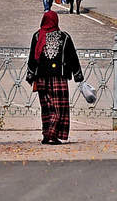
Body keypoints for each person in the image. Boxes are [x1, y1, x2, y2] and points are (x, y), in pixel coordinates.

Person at [25, 10, 84, 145]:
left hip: (42, 78)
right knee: (58, 108)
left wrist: (31, 75)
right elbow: (72, 57)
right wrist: (78, 76)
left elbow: (32, 58)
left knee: (47, 107)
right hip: (59, 78)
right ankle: (51, 135)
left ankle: (47, 134)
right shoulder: (64, 37)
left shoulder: (37, 36)